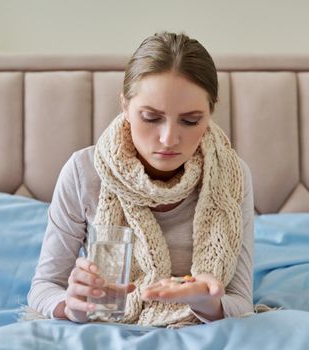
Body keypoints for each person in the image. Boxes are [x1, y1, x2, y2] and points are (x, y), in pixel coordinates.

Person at [27, 31, 254, 328]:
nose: (168, 138)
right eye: (150, 117)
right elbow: (43, 287)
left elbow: (241, 301)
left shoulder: (233, 177)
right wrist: (72, 306)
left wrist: (207, 304)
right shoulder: (83, 172)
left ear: (210, 113)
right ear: (125, 106)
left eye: (190, 120)